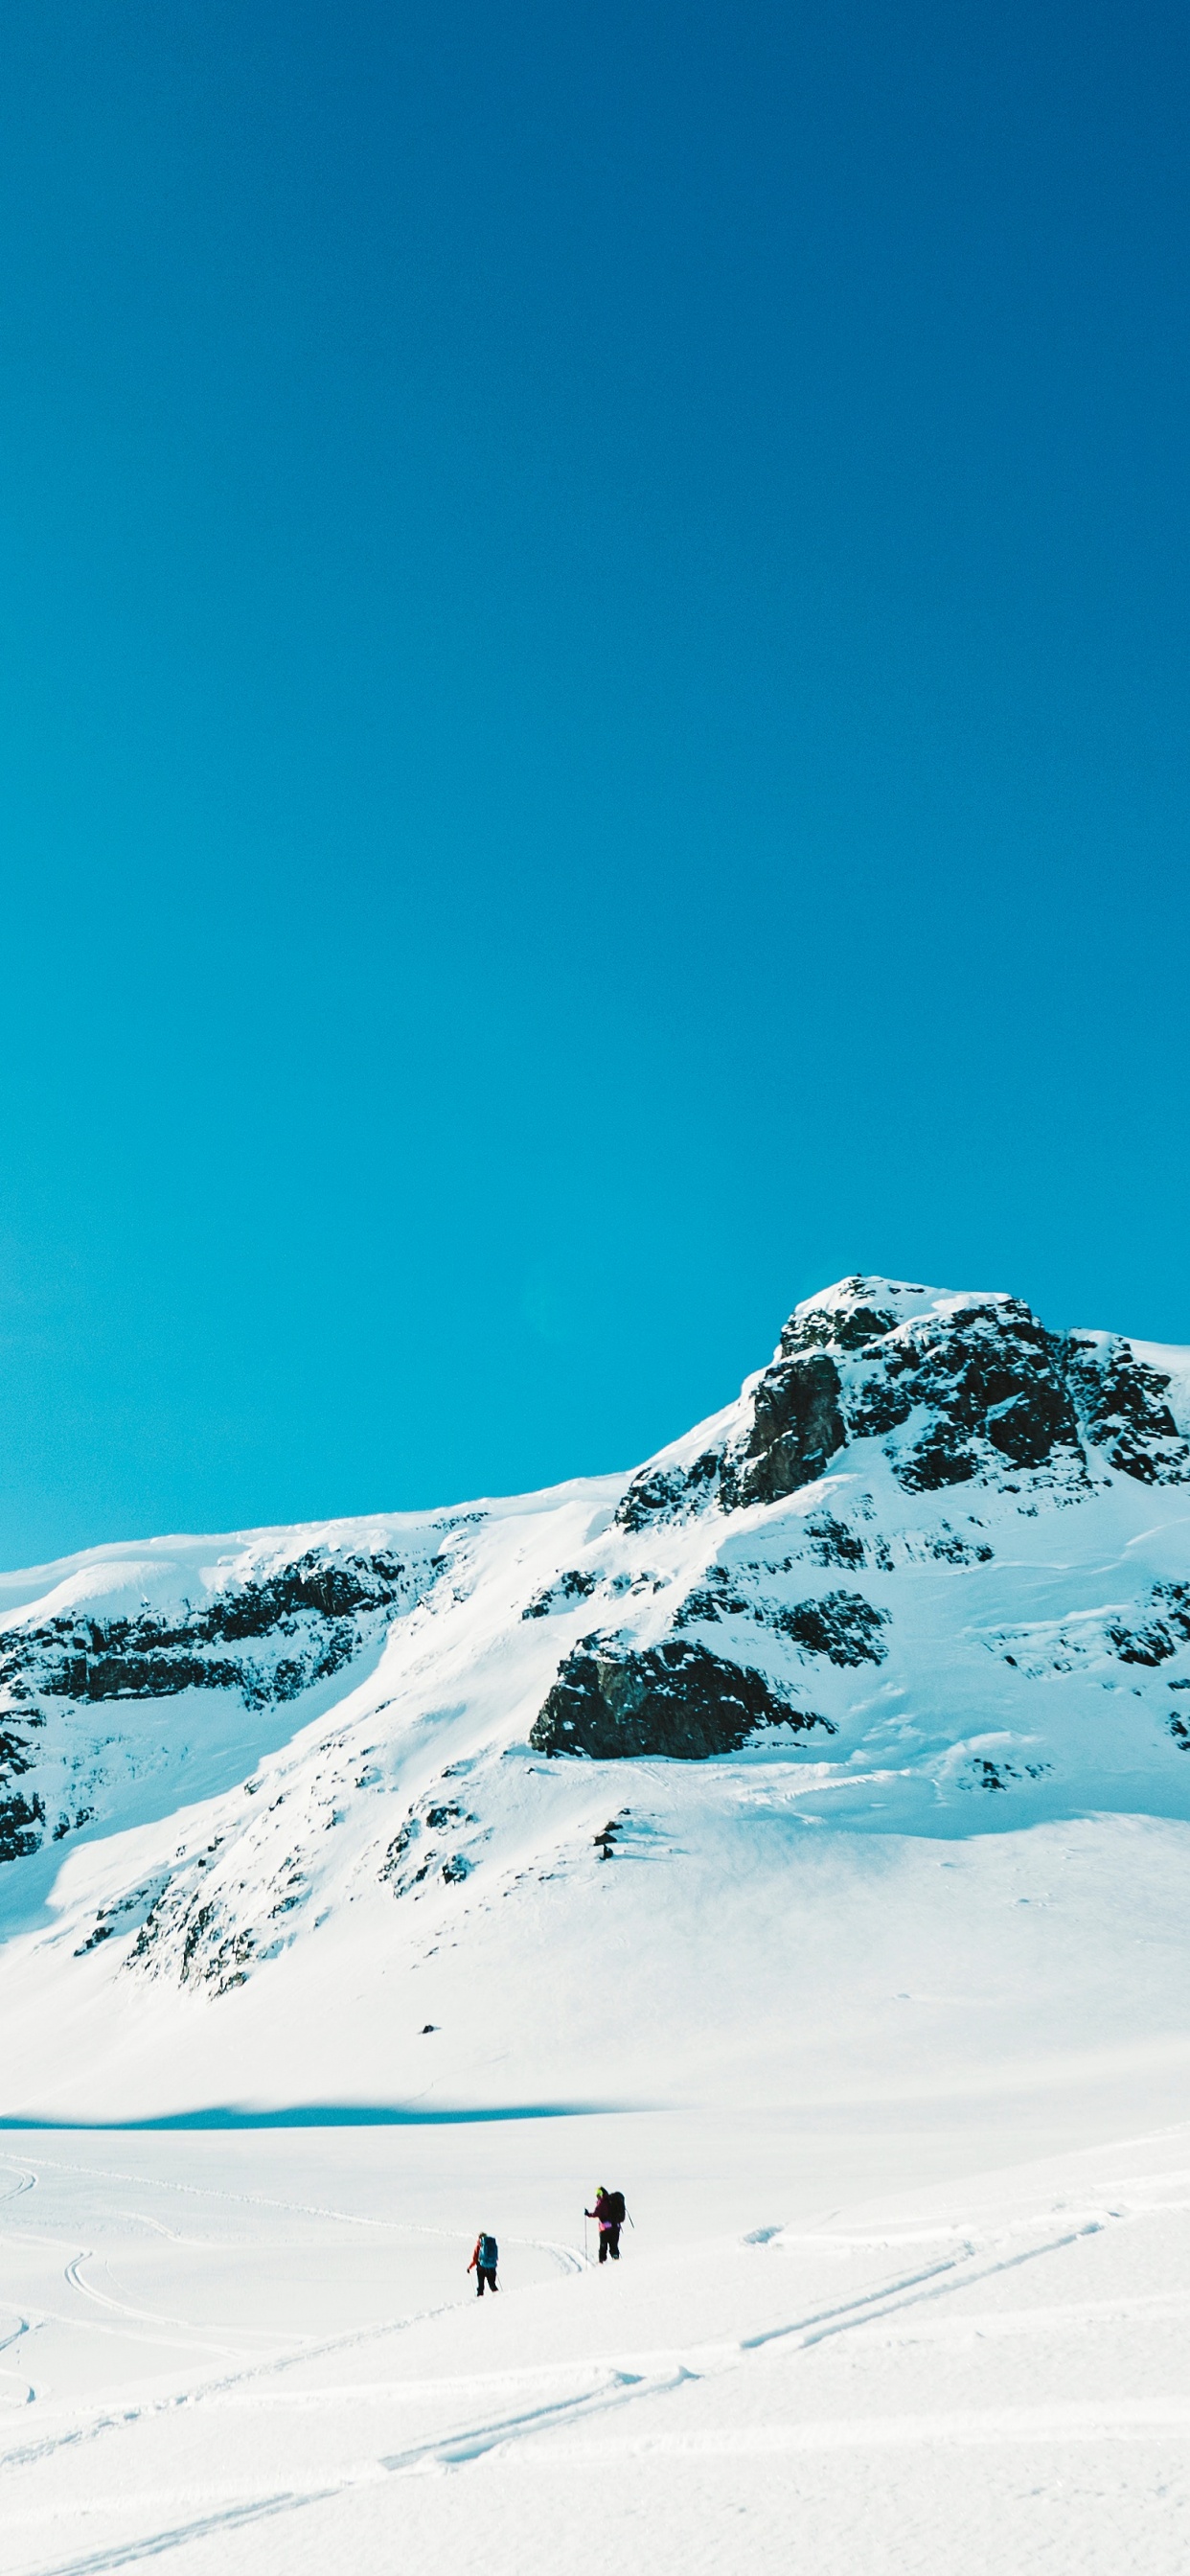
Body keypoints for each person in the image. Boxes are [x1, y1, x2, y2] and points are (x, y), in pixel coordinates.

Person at [585, 2185, 626, 2262]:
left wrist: (588, 2214)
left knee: (603, 2246)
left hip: (605, 2228)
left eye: (598, 2194)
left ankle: (601, 2262)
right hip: (616, 2227)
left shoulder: (603, 2202)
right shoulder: (611, 2201)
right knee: (614, 2245)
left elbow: (596, 2213)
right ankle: (616, 2260)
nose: (597, 2196)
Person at [468, 2229, 498, 2295]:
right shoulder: (491, 2245)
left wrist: (469, 2267)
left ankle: (479, 2301)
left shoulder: (478, 2246)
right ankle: (500, 2297)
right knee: (492, 2285)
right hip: (492, 2267)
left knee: (481, 2286)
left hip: (481, 2267)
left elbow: (475, 2259)